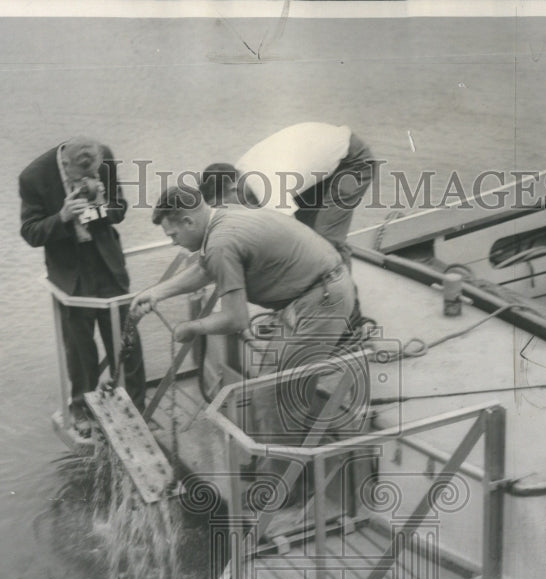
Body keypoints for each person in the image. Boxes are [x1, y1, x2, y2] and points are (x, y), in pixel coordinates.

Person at [130, 185, 357, 442]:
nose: (173, 242)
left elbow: (236, 319)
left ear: (188, 221)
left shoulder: (220, 243)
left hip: (323, 301)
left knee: (273, 395)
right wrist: (157, 292)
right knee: (275, 386)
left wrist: (191, 328)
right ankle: (287, 454)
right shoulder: (223, 215)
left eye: (173, 234)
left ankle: (283, 475)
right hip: (313, 293)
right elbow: (205, 269)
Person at [19, 136, 146, 434]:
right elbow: (30, 233)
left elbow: (119, 210)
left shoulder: (105, 155)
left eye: (95, 173)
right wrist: (63, 217)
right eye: (83, 176)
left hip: (107, 265)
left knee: (126, 337)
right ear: (65, 165)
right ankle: (82, 410)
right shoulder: (33, 177)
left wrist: (95, 210)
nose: (90, 179)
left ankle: (138, 406)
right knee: (79, 346)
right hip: (69, 271)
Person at [199, 122, 378, 267]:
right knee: (306, 232)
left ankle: (344, 306)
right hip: (320, 163)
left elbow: (293, 236)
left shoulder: (266, 184)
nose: (226, 213)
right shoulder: (238, 176)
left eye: (223, 206)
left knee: (325, 245)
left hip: (352, 160)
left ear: (232, 190)